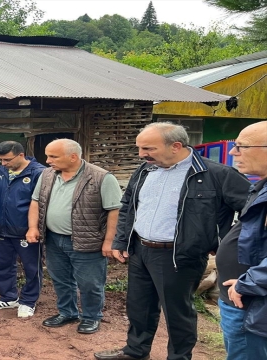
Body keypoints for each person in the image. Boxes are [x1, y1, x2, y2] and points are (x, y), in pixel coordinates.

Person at [95, 122, 250, 360]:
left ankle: (179, 357)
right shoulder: (145, 170)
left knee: (177, 313)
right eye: (139, 148)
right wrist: (121, 241)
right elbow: (128, 206)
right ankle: (135, 352)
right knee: (139, 307)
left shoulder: (217, 174)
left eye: (148, 148)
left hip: (179, 255)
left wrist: (220, 241)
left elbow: (253, 214)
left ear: (176, 146)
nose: (141, 154)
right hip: (140, 250)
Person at [26, 139, 122, 334]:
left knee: (90, 283)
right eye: (48, 156)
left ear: (73, 157)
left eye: (53, 156)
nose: (48, 160)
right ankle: (67, 312)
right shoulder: (47, 175)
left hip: (88, 240)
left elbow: (115, 211)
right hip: (53, 238)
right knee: (60, 279)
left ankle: (91, 317)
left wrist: (109, 242)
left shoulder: (101, 177)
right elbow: (36, 202)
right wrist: (32, 227)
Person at [216, 120, 267, 360]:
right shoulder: (261, 186)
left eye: (241, 146)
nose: (232, 152)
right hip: (244, 299)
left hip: (251, 302)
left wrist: (248, 283)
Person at [0, 141, 46, 318]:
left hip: (26, 230)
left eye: (7, 160)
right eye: (0, 160)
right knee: (3, 265)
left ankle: (28, 301)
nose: (3, 164)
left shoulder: (39, 173)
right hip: (1, 228)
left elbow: (42, 203)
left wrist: (34, 228)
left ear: (21, 155)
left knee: (31, 268)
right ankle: (8, 297)